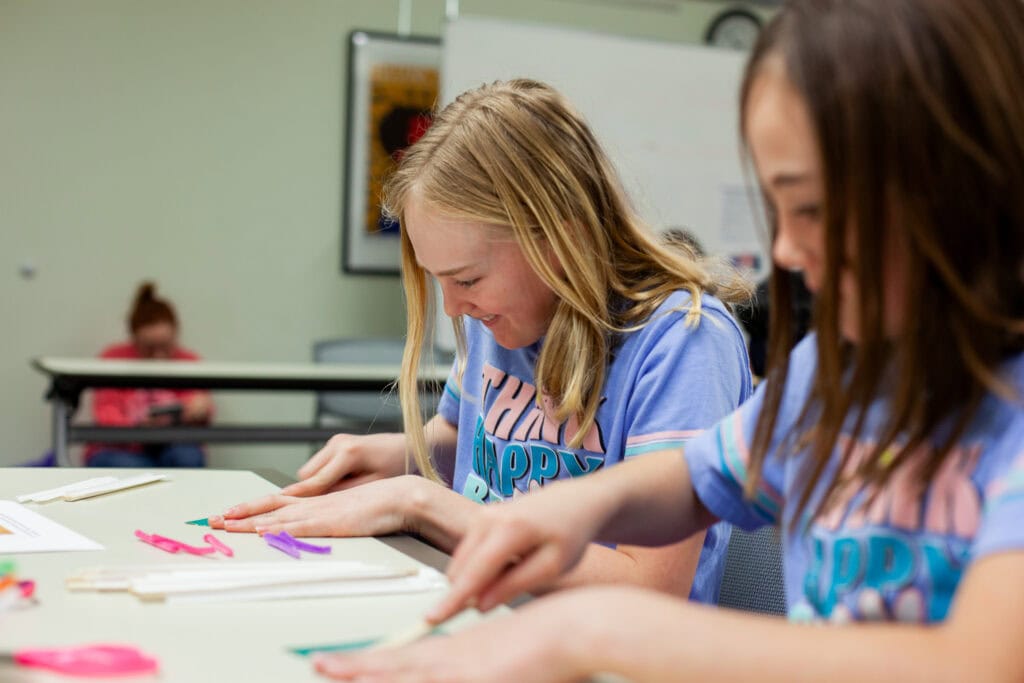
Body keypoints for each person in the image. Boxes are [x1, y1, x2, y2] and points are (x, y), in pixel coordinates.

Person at [308, 1, 1024, 680]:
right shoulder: (833, 375)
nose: (787, 251)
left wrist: (594, 628)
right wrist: (572, 507)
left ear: (966, 186)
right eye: (778, 208)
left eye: (810, 209)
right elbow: (694, 478)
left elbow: (981, 664)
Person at [210, 79, 754, 605]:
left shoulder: (684, 341)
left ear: (562, 238)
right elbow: (460, 430)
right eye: (438, 280)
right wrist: (397, 455)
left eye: (467, 280)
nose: (452, 308)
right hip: (488, 611)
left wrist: (422, 502)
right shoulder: (502, 313)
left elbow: (648, 586)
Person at [86, 282, 213, 468]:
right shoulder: (114, 359)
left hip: (172, 445)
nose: (158, 356)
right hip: (122, 449)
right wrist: (138, 426)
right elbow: (105, 413)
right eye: (149, 349)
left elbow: (201, 410)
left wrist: (200, 409)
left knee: (188, 457)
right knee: (134, 469)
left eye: (166, 347)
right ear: (134, 338)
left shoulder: (188, 361)